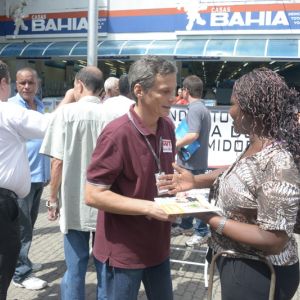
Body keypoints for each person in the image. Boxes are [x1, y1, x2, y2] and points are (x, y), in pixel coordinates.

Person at [159, 67, 300, 300]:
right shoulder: (257, 146)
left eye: (233, 104)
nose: (230, 110)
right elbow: (239, 173)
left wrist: (210, 217)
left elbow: (274, 240)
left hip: (260, 273)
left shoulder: (278, 161)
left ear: (250, 110)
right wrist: (195, 181)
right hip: (240, 263)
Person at [85, 56, 177, 300]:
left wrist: (179, 193)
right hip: (123, 251)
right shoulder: (117, 134)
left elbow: (162, 175)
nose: (173, 98)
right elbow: (93, 194)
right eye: (165, 91)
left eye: (174, 90)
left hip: (158, 246)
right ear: (139, 90)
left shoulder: (167, 126)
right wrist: (148, 207)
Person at [39, 66, 106, 300]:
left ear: (78, 84)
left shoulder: (65, 114)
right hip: (105, 202)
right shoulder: (112, 116)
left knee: (75, 267)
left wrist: (53, 199)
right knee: (105, 267)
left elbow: (57, 162)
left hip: (74, 200)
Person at [0, 60, 49, 300]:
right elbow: (50, 126)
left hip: (36, 177)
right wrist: (73, 100)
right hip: (6, 194)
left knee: (27, 226)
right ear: (8, 85)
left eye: (31, 82)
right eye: (22, 82)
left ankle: (23, 263)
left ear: (38, 84)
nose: (27, 86)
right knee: (20, 232)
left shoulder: (38, 105)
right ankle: (21, 271)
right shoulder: (9, 108)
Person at [172, 75, 211, 247]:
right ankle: (187, 225)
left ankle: (201, 231)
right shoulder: (201, 107)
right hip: (194, 161)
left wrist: (175, 144)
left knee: (196, 198)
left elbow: (193, 134)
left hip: (192, 163)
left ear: (186, 91)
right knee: (188, 196)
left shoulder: (195, 109)